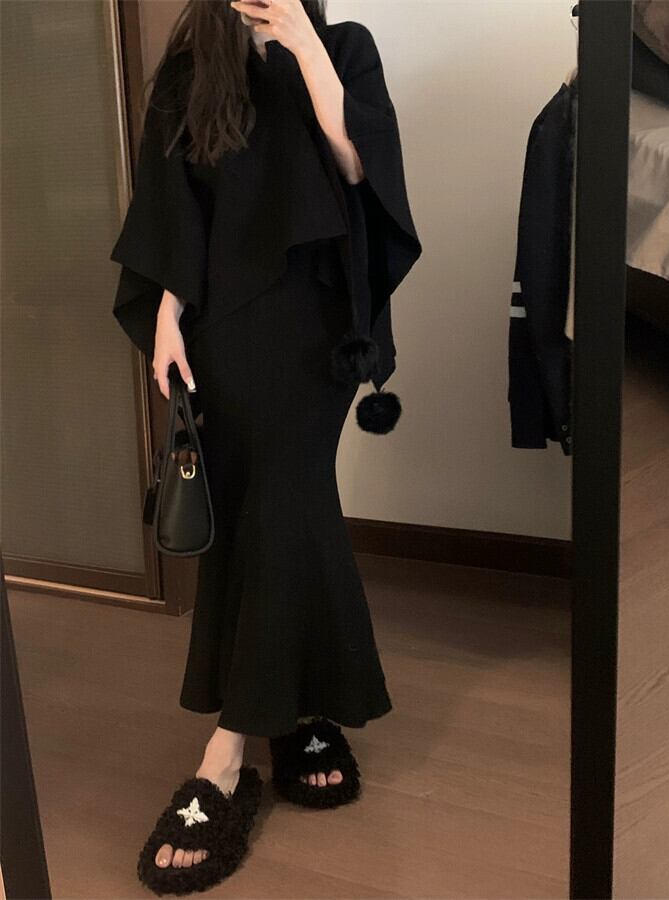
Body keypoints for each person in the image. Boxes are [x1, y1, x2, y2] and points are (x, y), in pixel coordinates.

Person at [109, 1, 421, 894]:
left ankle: (226, 751)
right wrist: (166, 314)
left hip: (316, 329)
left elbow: (358, 163)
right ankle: (301, 709)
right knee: (262, 509)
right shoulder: (189, 66)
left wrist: (301, 42)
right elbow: (171, 206)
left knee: (285, 498)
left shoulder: (343, 48)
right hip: (222, 332)